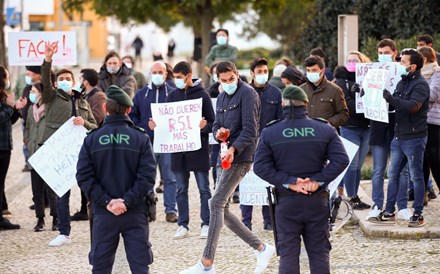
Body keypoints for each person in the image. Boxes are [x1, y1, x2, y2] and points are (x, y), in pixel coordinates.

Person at [180, 61, 275, 274]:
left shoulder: (248, 94)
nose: (227, 83)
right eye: (223, 81)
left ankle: (207, 263)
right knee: (222, 206)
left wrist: (234, 148)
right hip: (223, 154)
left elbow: (251, 130)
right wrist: (218, 133)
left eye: (230, 79)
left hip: (240, 157)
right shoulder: (221, 95)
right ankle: (261, 248)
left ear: (236, 74)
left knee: (215, 203)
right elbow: (215, 125)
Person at [253, 85, 349, 274]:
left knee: (288, 253)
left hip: (286, 202)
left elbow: (260, 167)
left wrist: (291, 182)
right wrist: (317, 181)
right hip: (316, 200)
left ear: (282, 104)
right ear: (305, 103)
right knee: (319, 252)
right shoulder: (324, 128)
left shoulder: (271, 132)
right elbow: (341, 160)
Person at [76, 85, 155, 273]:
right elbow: (147, 177)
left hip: (103, 213)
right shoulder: (140, 138)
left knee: (101, 267)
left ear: (105, 108)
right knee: (139, 267)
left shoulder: (92, 139)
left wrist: (107, 201)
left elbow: (83, 176)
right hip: (135, 212)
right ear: (128, 110)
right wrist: (126, 202)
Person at [42, 43, 98, 246]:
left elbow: (94, 126)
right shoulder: (51, 97)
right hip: (61, 155)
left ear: (74, 82)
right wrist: (48, 59)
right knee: (62, 195)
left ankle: (99, 227)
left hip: (82, 153)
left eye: (68, 79)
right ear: (56, 83)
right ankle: (63, 232)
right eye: (61, 79)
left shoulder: (82, 102)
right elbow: (45, 81)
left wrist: (84, 122)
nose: (65, 81)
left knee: (92, 191)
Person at [151, 61, 214, 239]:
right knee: (181, 189)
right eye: (175, 77)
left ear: (188, 76)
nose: (176, 80)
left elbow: (212, 122)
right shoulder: (172, 96)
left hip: (198, 150)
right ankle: (183, 224)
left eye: (179, 77)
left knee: (204, 189)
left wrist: (204, 126)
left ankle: (206, 223)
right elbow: (166, 124)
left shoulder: (203, 96)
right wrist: (156, 125)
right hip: (179, 152)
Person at [371, 49, 429, 227]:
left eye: (403, 62)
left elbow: (413, 106)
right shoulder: (402, 82)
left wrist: (391, 99)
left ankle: (418, 214)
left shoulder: (420, 84)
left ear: (413, 66)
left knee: (416, 176)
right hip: (399, 136)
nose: (400, 65)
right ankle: (389, 211)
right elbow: (393, 102)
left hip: (414, 137)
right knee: (393, 174)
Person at [365, 38, 411, 221]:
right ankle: (377, 205)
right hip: (377, 122)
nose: (383, 55)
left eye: (386, 52)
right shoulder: (370, 71)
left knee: (401, 169)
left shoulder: (402, 71)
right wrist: (360, 91)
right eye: (380, 52)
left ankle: (402, 206)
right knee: (378, 169)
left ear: (394, 53)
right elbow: (365, 94)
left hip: (397, 122)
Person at [129, 61, 178, 223]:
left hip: (167, 143)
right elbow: (133, 116)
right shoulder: (141, 94)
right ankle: (149, 209)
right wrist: (145, 127)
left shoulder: (173, 93)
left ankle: (171, 210)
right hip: (147, 143)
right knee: (147, 177)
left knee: (170, 177)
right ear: (150, 74)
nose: (157, 75)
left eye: (161, 72)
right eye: (154, 72)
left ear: (166, 74)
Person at [241, 58, 283, 231]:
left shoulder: (275, 93)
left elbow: (281, 119)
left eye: (265, 71)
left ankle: (269, 219)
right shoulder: (244, 92)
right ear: (252, 74)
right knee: (247, 182)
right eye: (259, 72)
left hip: (269, 143)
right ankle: (246, 222)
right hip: (247, 143)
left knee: (267, 181)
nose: (262, 75)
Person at [334, 51, 371, 209]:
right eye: (349, 60)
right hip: (350, 127)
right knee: (351, 163)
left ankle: (354, 194)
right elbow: (348, 104)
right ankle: (352, 196)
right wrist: (366, 109)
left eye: (355, 60)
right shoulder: (341, 80)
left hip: (367, 127)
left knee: (358, 164)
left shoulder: (368, 77)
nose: (351, 62)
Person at [69, 68, 107, 222]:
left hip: (94, 138)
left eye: (79, 79)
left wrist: (83, 119)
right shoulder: (85, 95)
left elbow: (97, 117)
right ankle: (84, 208)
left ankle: (90, 207)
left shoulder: (98, 96)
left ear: (85, 82)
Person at [24, 82, 59, 232]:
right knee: (36, 190)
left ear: (41, 93)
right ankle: (40, 219)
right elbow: (27, 127)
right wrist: (28, 140)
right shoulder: (32, 109)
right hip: (33, 154)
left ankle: (56, 218)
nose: (31, 93)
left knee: (51, 189)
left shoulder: (51, 109)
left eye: (33, 91)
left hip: (47, 154)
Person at [0, 65, 27, 230]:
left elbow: (8, 121)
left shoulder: (3, 97)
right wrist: (10, 107)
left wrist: (16, 109)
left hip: (5, 146)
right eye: (7, 76)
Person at [300, 56, 349, 128]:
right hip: (305, 133)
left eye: (314, 70)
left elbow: (343, 114)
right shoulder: (300, 90)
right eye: (308, 70)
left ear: (322, 71)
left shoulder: (335, 90)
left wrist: (328, 123)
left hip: (326, 133)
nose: (310, 73)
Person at [418, 46, 440, 199]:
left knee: (435, 157)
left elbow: (433, 94)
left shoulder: (437, 72)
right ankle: (423, 193)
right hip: (419, 120)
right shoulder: (417, 75)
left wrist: (417, 89)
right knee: (422, 159)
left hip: (433, 121)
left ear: (424, 59)